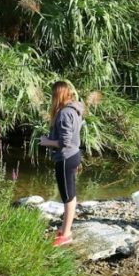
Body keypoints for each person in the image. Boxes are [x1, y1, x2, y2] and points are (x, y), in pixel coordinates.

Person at [39, 81, 85, 247]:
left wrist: (46, 141)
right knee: (70, 194)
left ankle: (65, 234)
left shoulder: (65, 113)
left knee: (68, 196)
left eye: (52, 95)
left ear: (57, 95)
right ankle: (65, 230)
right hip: (74, 155)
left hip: (66, 157)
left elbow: (64, 142)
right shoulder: (75, 109)